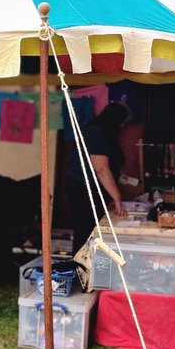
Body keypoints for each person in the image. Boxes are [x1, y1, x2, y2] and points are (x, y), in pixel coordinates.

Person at [65, 101, 130, 253]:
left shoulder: (101, 133)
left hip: (90, 189)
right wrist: (117, 198)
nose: (122, 127)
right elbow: (100, 168)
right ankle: (82, 272)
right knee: (86, 232)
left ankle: (90, 270)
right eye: (122, 123)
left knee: (92, 232)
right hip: (82, 188)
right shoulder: (97, 132)